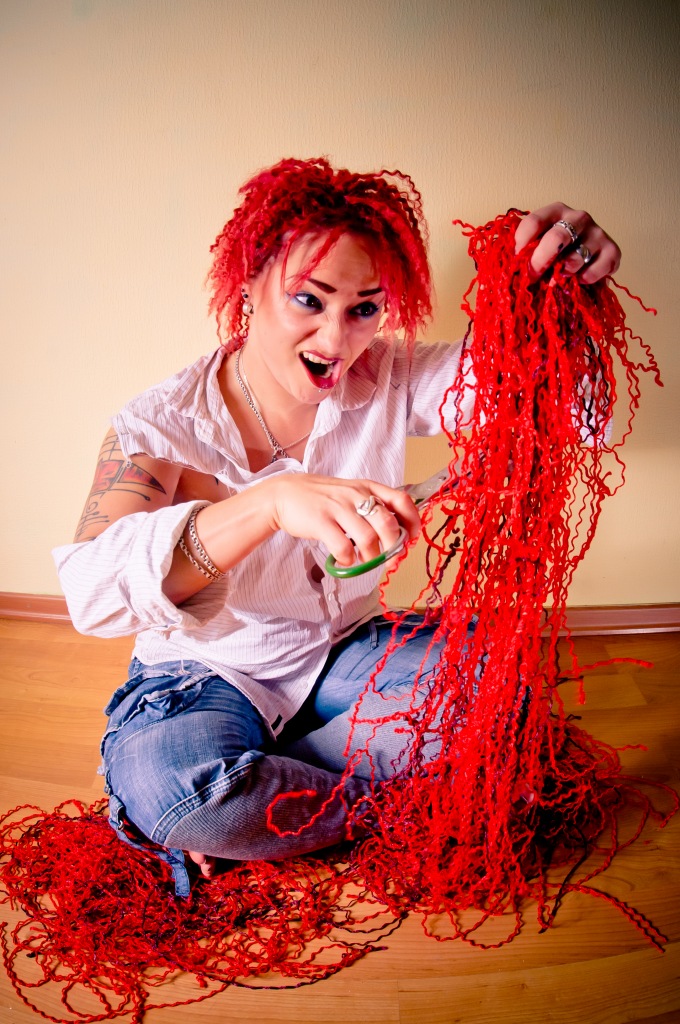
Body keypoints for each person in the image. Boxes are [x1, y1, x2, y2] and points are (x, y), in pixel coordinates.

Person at [53, 158, 621, 895]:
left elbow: (576, 415)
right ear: (248, 285)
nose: (336, 338)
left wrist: (560, 293)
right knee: (178, 787)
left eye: (364, 309)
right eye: (308, 299)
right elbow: (92, 594)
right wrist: (267, 504)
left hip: (344, 653)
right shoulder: (159, 425)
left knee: (500, 688)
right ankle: (382, 797)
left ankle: (255, 806)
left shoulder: (389, 375)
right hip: (202, 677)